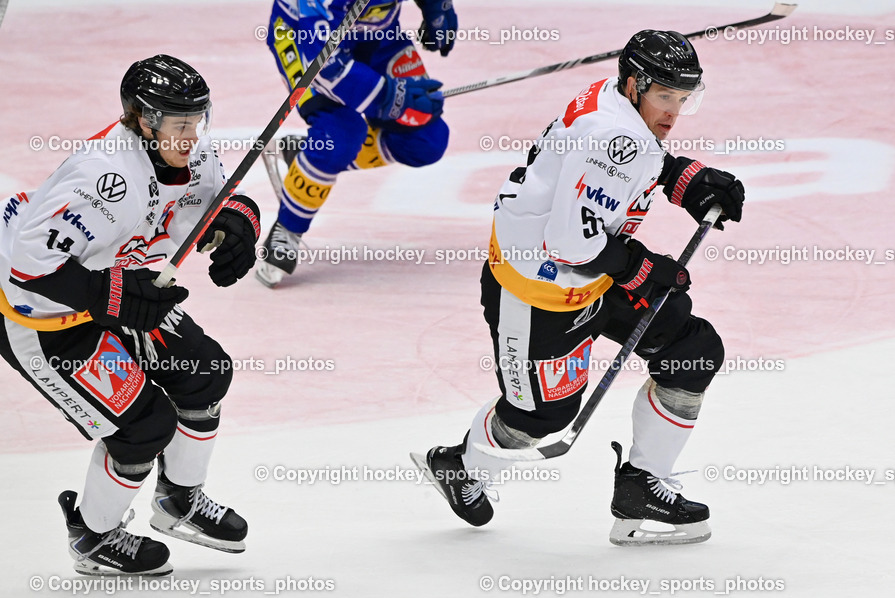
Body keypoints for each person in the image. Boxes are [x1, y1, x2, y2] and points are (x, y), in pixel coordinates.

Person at [411, 30, 745, 545]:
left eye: (683, 99)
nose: (674, 112)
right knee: (539, 419)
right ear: (634, 86)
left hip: (591, 275)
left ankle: (641, 486)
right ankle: (461, 467)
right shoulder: (615, 136)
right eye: (665, 97)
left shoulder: (615, 106)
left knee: (692, 351)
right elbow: (570, 239)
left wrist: (684, 177)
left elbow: (627, 169)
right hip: (535, 292)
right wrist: (642, 268)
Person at [0, 55, 261, 575]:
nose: (193, 134)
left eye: (198, 119)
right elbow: (26, 270)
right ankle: (92, 536)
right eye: (180, 122)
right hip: (41, 320)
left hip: (110, 290)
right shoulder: (103, 178)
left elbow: (214, 201)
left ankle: (178, 500)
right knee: (143, 428)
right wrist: (107, 296)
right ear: (144, 120)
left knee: (206, 371)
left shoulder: (185, 149)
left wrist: (238, 223)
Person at [256, 0, 457, 287]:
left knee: (426, 138)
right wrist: (389, 96)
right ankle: (289, 227)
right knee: (339, 136)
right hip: (303, 40)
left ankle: (309, 159)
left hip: (378, 34)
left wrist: (437, 6)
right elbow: (326, 65)